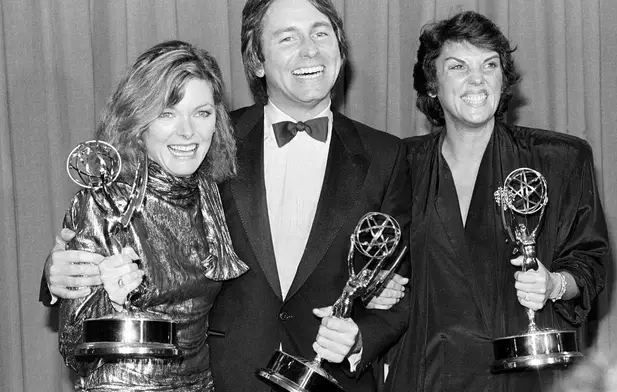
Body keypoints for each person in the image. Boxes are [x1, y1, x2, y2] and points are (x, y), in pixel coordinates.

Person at [42, 1, 411, 391]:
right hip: (222, 378)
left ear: (340, 48)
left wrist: (359, 338)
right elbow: (133, 210)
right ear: (257, 61)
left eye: (321, 33)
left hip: (332, 382)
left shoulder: (387, 156)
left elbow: (403, 289)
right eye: (288, 37)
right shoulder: (206, 140)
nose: (309, 50)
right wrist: (59, 273)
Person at [383, 11, 610, 392]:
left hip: (520, 375)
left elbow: (590, 263)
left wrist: (554, 284)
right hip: (423, 374)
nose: (477, 79)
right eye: (457, 66)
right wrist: (381, 287)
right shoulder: (397, 164)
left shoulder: (560, 158)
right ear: (432, 85)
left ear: (503, 79)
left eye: (489, 65)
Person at [57, 40, 249, 391]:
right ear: (138, 120)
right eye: (167, 113)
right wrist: (109, 300)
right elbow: (71, 346)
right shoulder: (102, 202)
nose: (187, 131)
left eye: (202, 113)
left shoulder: (209, 193)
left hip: (200, 383)